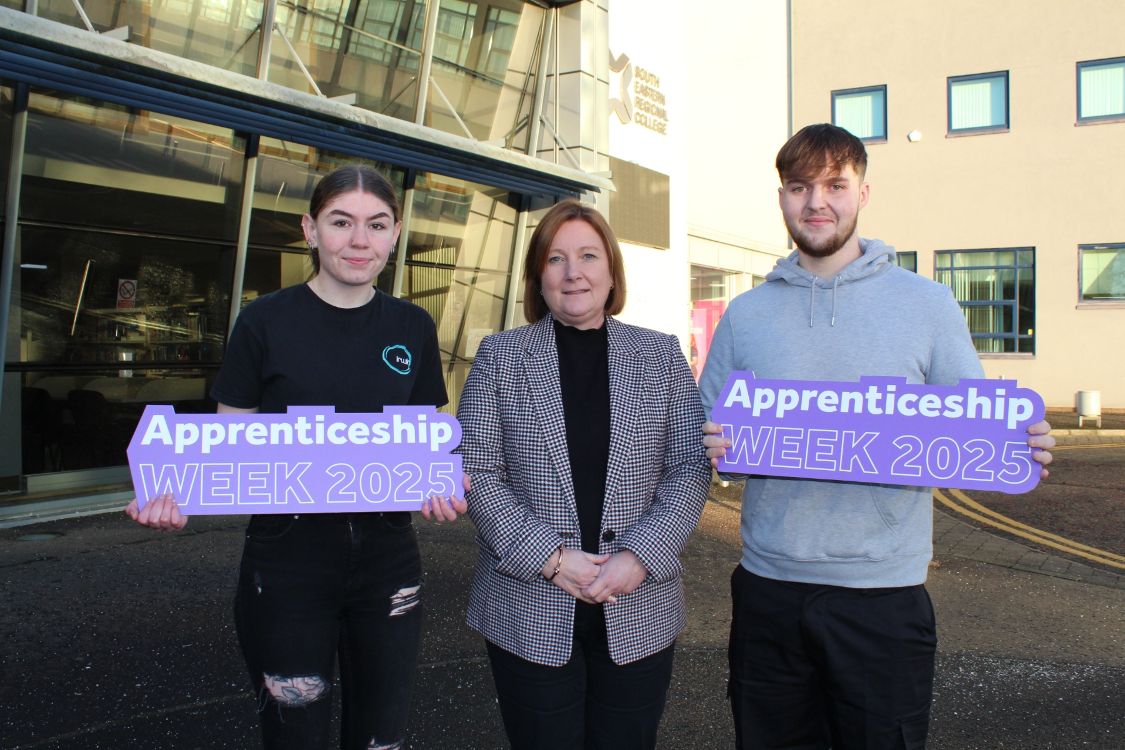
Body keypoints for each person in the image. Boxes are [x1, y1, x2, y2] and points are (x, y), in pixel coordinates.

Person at [699, 123, 1056, 750]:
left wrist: (1016, 443)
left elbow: (970, 429)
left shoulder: (928, 305)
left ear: (864, 193)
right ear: (781, 197)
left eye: (835, 184)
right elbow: (704, 436)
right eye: (799, 186)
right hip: (769, 590)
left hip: (882, 596)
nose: (817, 202)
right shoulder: (747, 314)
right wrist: (713, 447)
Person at [126, 163, 465, 750]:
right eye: (341, 222)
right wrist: (176, 494)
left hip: (388, 560)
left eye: (376, 225)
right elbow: (229, 448)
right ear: (310, 230)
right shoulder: (263, 322)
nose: (359, 241)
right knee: (294, 734)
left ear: (394, 233)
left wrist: (441, 482)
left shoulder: (412, 326)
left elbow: (426, 434)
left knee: (381, 737)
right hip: (287, 563)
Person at [456, 199, 711, 750]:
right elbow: (477, 470)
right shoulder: (499, 357)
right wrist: (549, 559)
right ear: (537, 277)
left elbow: (689, 467)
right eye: (556, 259)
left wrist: (640, 556)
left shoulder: (662, 357)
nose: (574, 273)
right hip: (529, 604)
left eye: (589, 256)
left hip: (637, 602)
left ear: (612, 271)